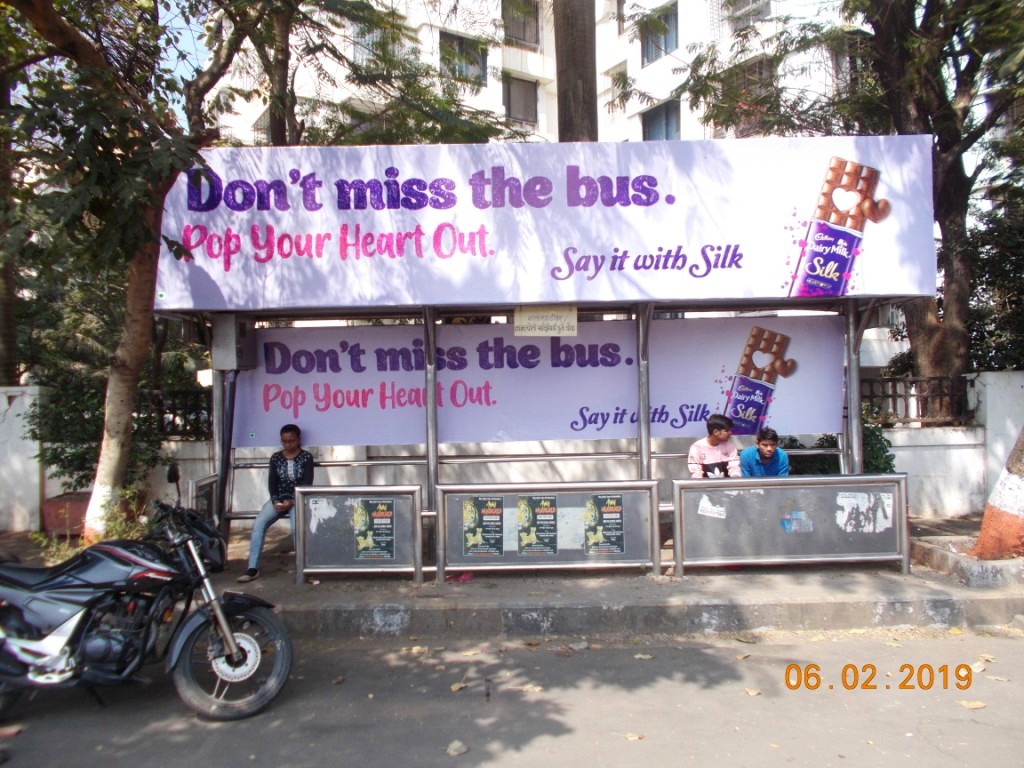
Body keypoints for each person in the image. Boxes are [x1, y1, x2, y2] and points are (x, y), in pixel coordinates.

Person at [237, 424, 315, 583]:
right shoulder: (276, 458)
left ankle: (303, 568)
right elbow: (272, 482)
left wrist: (293, 500)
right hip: (278, 499)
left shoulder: (306, 457)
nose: (288, 445)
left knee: (296, 529)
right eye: (285, 441)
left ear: (298, 440)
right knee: (259, 523)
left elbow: (307, 482)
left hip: (297, 499)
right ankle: (253, 568)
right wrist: (274, 500)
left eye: (291, 441)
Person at [687, 414, 740, 478]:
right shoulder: (697, 448)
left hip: (727, 486)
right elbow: (696, 473)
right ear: (716, 432)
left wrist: (735, 482)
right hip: (704, 486)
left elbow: (734, 468)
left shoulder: (730, 446)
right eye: (727, 431)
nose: (730, 433)